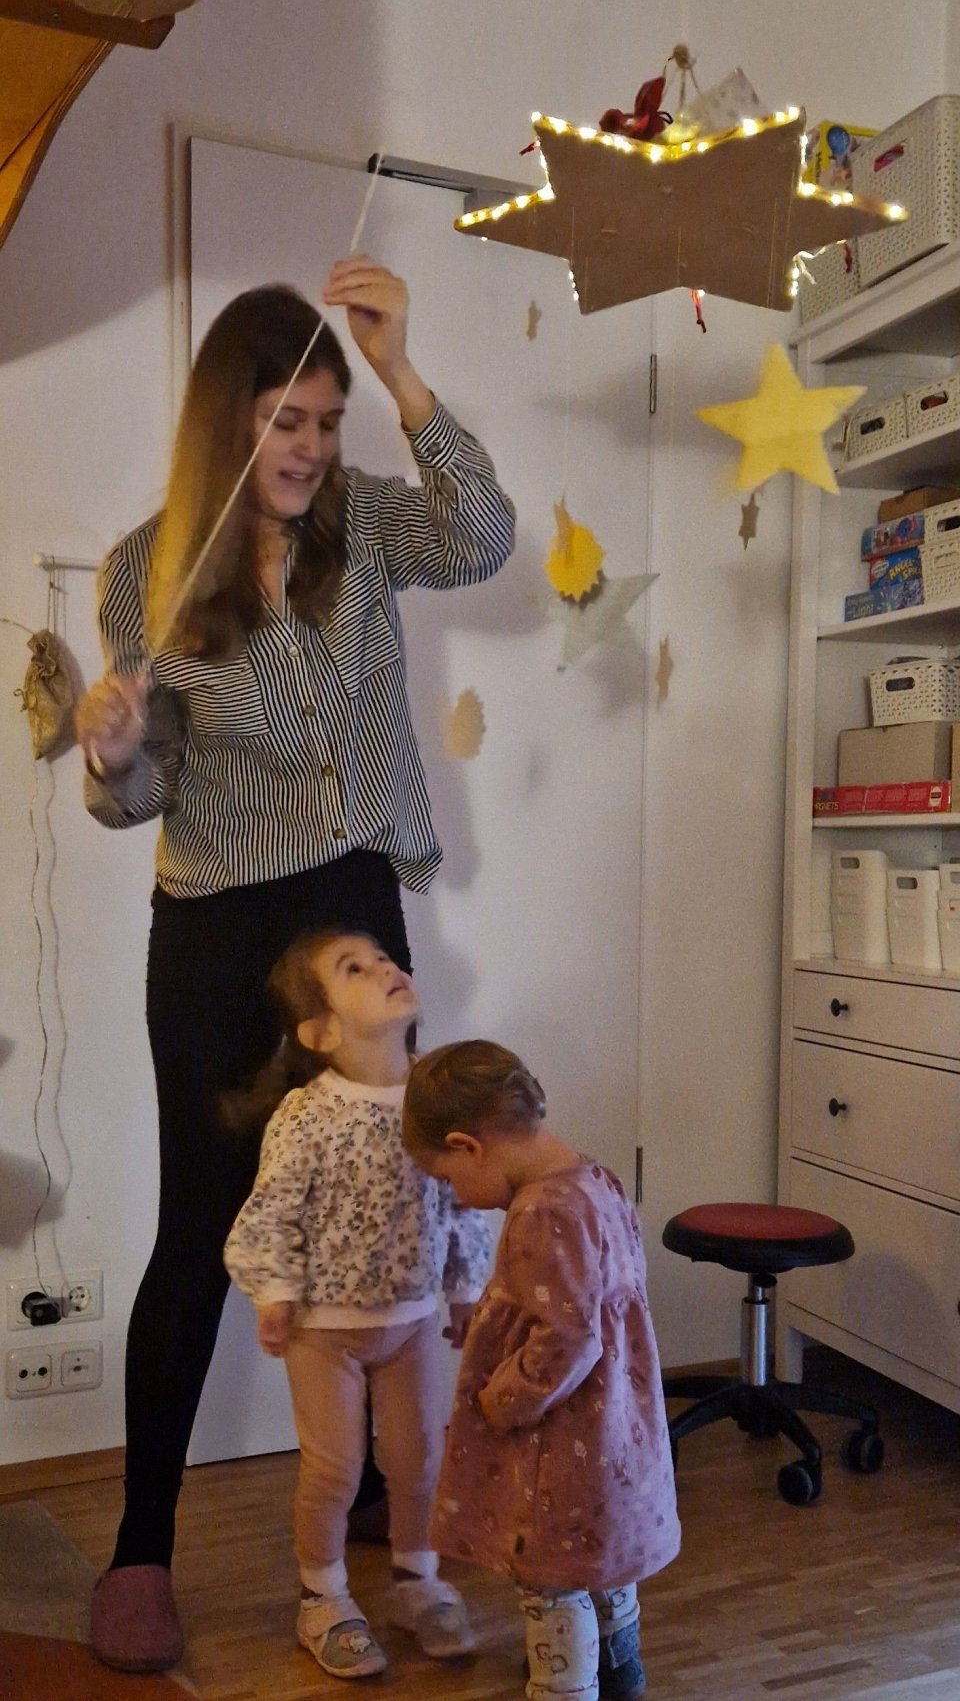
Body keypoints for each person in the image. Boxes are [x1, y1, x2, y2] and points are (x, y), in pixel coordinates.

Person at [75, 256, 515, 1673]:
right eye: (286, 420)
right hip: (217, 925)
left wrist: (401, 372)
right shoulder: (146, 569)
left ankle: (380, 1490)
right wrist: (116, 753)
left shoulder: (364, 523)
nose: (312, 446)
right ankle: (143, 1546)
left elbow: (484, 536)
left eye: (326, 419)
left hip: (350, 902)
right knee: (207, 1224)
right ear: (230, 420)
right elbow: (143, 795)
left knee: (385, 1198)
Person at [224, 927, 491, 1679]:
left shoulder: (435, 1103)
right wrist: (274, 1291)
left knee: (420, 1458)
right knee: (335, 1469)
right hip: (324, 1330)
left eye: (384, 959)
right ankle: (323, 1597)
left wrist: (465, 1288)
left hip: (412, 1322)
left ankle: (417, 1579)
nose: (385, 968)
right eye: (355, 968)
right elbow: (273, 1210)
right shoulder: (307, 1115)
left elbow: (462, 1200)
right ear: (320, 1031)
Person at [402, 1040, 681, 1701]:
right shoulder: (596, 1179)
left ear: (469, 1146)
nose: (456, 1196)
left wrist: (503, 1398)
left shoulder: (541, 1211)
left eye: (448, 1178)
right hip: (615, 1427)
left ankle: (565, 1688)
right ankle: (620, 1669)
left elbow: (566, 1338)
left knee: (550, 1577)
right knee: (598, 1559)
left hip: (562, 1441)